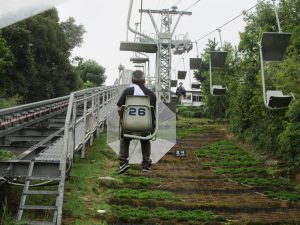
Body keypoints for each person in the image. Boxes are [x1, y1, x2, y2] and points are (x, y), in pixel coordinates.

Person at [116, 70, 156, 174]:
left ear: (132, 80)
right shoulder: (151, 94)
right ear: (144, 81)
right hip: (145, 126)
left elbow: (119, 108)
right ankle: (146, 164)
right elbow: (153, 111)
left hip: (129, 125)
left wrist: (121, 119)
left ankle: (123, 162)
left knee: (125, 138)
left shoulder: (127, 91)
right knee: (145, 139)